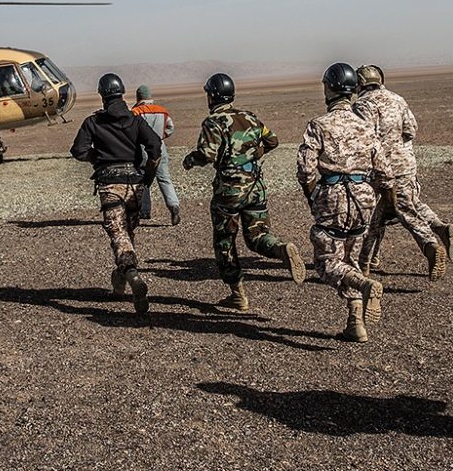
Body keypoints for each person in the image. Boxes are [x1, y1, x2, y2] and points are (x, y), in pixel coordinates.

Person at [183, 73, 306, 311]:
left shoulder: (213, 122)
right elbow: (272, 140)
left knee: (224, 241)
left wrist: (190, 160)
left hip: (229, 191)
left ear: (212, 96)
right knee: (258, 236)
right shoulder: (249, 117)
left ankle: (237, 294)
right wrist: (254, 155)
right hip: (255, 187)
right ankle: (281, 248)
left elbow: (206, 154)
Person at [297, 63, 394, 342]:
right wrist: (381, 198)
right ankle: (356, 324)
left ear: (328, 89)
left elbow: (305, 169)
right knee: (351, 258)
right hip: (364, 198)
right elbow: (385, 171)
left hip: (333, 196)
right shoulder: (365, 126)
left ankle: (366, 284)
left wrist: (314, 194)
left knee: (327, 262)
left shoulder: (319, 125)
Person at [353, 64, 453, 281]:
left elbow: (364, 141)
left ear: (359, 84)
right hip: (406, 165)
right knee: (402, 206)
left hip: (380, 169)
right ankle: (438, 228)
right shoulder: (397, 98)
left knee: (387, 214)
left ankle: (430, 246)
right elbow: (411, 129)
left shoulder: (363, 105)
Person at [71, 73, 162, 314]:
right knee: (127, 234)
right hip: (134, 183)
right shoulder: (135, 121)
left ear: (102, 95)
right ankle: (119, 286)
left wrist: (98, 159)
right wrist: (148, 175)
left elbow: (78, 150)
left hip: (109, 185)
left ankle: (133, 277)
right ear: (122, 93)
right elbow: (155, 146)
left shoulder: (93, 122)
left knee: (119, 235)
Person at [132, 85, 182, 225]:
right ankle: (173, 205)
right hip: (160, 147)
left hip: (142, 149)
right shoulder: (162, 111)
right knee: (165, 178)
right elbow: (170, 128)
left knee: (142, 179)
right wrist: (161, 136)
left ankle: (144, 210)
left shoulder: (135, 112)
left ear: (138, 97)